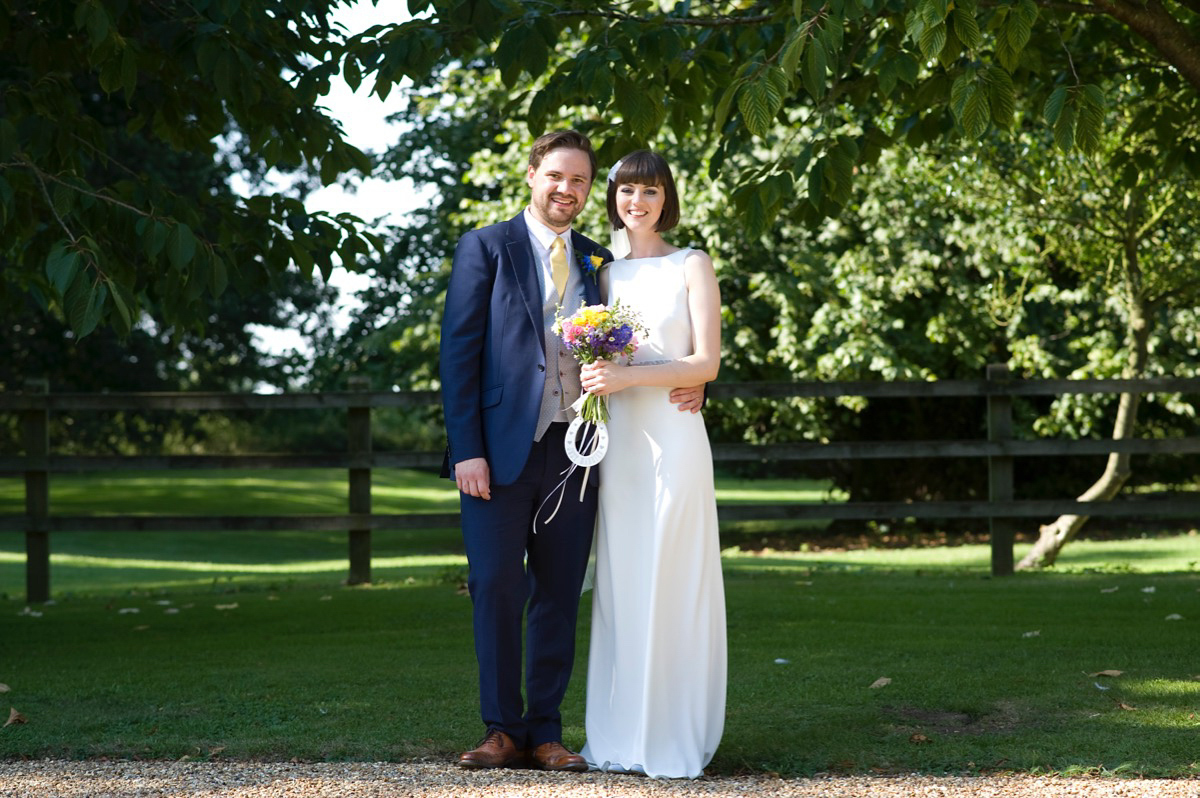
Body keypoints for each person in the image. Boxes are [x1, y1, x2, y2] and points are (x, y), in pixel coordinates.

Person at [439, 132, 703, 772]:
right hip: (498, 454)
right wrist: (465, 449)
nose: (568, 189)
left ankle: (547, 730)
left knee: (559, 589)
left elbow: (641, 337)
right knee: (496, 583)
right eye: (557, 176)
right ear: (532, 174)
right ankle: (501, 729)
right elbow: (458, 354)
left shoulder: (597, 263)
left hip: (579, 450)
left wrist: (690, 381)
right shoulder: (485, 247)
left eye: (581, 181)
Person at [578, 150, 727, 779]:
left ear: (667, 198)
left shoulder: (692, 264)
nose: (636, 202)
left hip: (675, 433)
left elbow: (705, 364)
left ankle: (672, 734)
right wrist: (602, 378)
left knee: (674, 574)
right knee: (622, 581)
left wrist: (630, 375)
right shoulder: (602, 274)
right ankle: (618, 735)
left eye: (649, 191)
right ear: (611, 197)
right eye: (625, 191)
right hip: (624, 448)